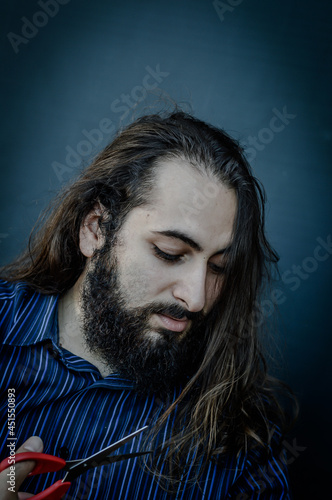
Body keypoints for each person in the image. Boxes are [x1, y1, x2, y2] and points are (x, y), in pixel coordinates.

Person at [0, 111, 293, 499]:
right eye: (170, 253)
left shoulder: (243, 441)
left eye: (219, 268)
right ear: (96, 229)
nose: (196, 298)